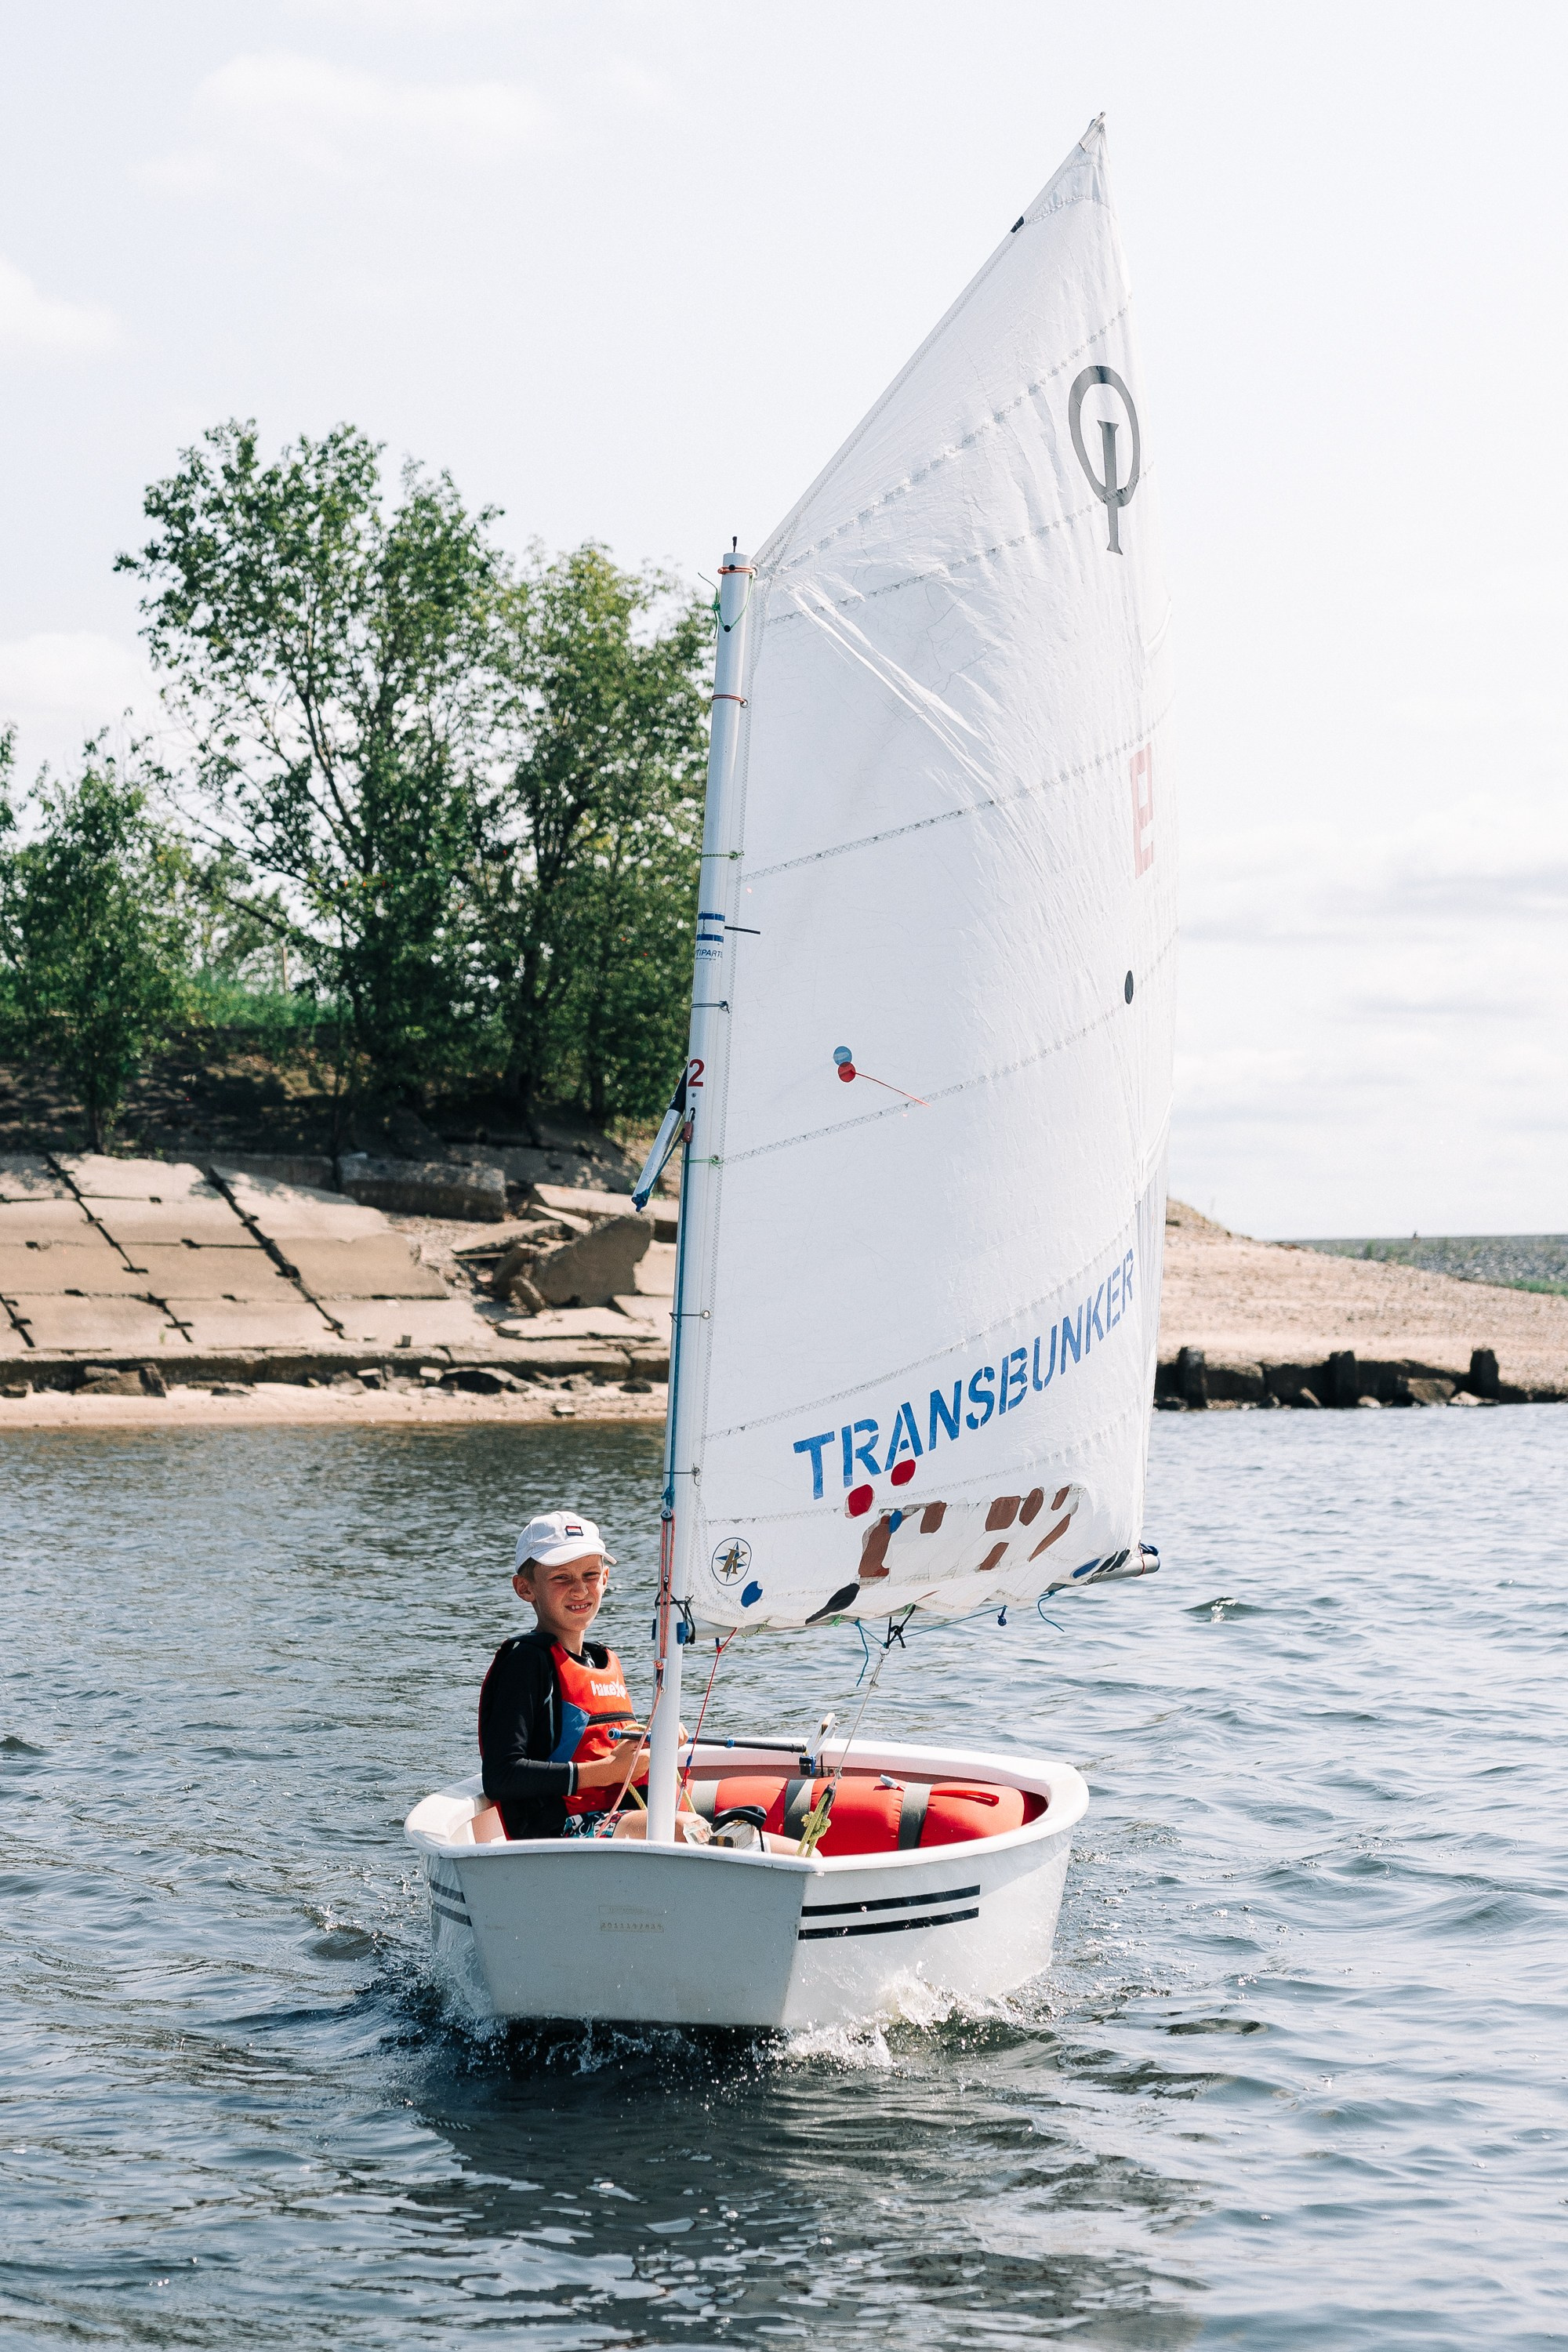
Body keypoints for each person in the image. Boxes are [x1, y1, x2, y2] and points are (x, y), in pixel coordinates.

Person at [477, 1510, 706, 1843]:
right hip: (558, 1837)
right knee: (689, 1830)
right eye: (561, 1578)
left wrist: (654, 1739)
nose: (580, 1590)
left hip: (617, 1817)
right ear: (525, 1588)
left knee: (732, 1820)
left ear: (606, 1579)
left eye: (590, 1575)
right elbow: (501, 1777)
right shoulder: (525, 1661)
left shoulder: (602, 1660)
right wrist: (608, 1771)